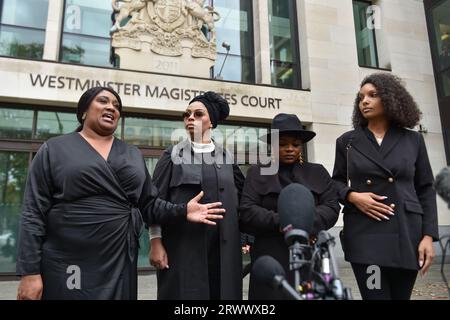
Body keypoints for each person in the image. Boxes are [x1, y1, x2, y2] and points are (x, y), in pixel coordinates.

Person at [16, 86, 225, 300]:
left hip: (119, 259)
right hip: (70, 259)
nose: (111, 107)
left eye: (116, 106)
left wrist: (183, 211)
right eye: (103, 101)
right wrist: (30, 272)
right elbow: (33, 212)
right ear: (84, 111)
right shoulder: (54, 149)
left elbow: (149, 205)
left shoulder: (132, 154)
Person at [332, 73, 439, 300]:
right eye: (361, 97)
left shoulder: (413, 140)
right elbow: (335, 182)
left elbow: (426, 188)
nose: (365, 101)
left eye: (372, 95)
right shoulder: (347, 142)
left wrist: (428, 236)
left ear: (390, 99)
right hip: (366, 237)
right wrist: (352, 196)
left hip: (407, 234)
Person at [148, 91, 245, 300]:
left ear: (211, 122)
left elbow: (243, 202)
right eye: (187, 114)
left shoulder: (227, 157)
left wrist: (247, 237)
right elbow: (152, 203)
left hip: (224, 253)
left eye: (198, 114)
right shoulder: (171, 155)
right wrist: (155, 242)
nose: (190, 118)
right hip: (183, 249)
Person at [239, 113, 340, 300]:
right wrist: (285, 222)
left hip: (309, 253)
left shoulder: (317, 172)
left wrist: (304, 222)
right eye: (283, 144)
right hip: (269, 254)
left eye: (295, 144)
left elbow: (332, 207)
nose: (289, 149)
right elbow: (247, 209)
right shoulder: (257, 172)